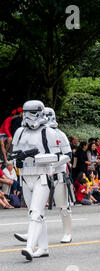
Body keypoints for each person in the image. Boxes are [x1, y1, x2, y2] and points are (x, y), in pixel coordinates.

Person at [12, 100, 69, 261]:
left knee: (36, 213)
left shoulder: (49, 132)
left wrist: (34, 157)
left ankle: (30, 247)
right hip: (25, 177)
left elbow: (57, 157)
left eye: (31, 113)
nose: (27, 117)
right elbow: (14, 154)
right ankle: (43, 248)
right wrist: (18, 161)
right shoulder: (20, 132)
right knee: (35, 214)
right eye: (25, 113)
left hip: (41, 176)